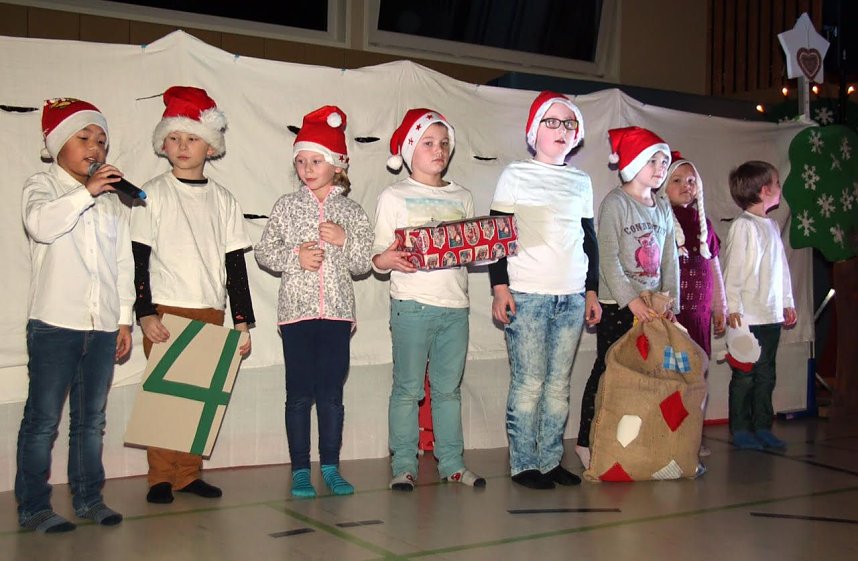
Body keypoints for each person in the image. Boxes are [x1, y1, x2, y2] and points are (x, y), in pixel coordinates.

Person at [132, 86, 254, 504]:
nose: (183, 147)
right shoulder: (152, 194)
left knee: (200, 398)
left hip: (210, 309)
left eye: (193, 138)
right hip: (166, 309)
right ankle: (160, 477)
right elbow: (138, 258)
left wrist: (241, 321)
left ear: (211, 145)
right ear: (163, 143)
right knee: (167, 398)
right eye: (175, 138)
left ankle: (188, 474)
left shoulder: (224, 200)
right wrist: (145, 311)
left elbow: (235, 265)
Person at [17, 98, 132, 532]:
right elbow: (41, 226)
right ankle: (34, 507)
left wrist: (122, 318)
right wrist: (85, 192)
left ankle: (88, 498)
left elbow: (122, 263)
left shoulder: (111, 200)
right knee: (43, 420)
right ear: (56, 143)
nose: (95, 147)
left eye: (101, 140)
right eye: (83, 137)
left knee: (91, 421)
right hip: (54, 324)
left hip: (100, 327)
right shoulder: (41, 186)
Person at [255, 105, 372, 498]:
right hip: (296, 316)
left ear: (337, 164)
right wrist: (295, 257)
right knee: (299, 393)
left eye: (315, 160)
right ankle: (301, 469)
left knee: (331, 395)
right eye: (301, 160)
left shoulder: (352, 212)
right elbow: (263, 251)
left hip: (337, 316)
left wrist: (344, 240)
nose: (306, 167)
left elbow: (361, 264)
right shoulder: (287, 207)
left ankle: (332, 467)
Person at [488, 91, 601, 490]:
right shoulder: (515, 174)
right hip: (528, 294)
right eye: (551, 122)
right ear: (535, 130)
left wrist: (591, 292)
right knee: (529, 382)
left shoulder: (581, 181)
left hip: (571, 297)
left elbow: (589, 240)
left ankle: (551, 459)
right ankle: (524, 464)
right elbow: (498, 236)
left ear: (577, 135)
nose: (561, 130)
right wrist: (500, 288)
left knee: (558, 384)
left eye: (569, 123)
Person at [373, 108, 485, 491]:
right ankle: (403, 463)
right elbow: (378, 255)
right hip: (412, 305)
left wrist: (486, 247)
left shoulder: (462, 196)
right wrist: (385, 259)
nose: (438, 150)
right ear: (409, 150)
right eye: (428, 143)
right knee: (407, 389)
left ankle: (451, 462)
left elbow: (471, 251)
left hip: (456, 308)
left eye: (443, 143)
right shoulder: (394, 195)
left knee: (448, 391)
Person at [575, 126, 680, 469]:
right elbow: (607, 258)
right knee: (609, 370)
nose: (661, 167)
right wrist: (630, 300)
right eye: (653, 160)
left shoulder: (663, 206)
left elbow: (669, 260)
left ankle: (633, 439)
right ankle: (586, 440)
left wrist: (668, 301)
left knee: (647, 374)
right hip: (616, 305)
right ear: (633, 162)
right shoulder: (615, 204)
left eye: (664, 161)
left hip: (652, 305)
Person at [722, 161, 796, 450]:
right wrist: (733, 310)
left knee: (767, 374)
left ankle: (762, 426)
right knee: (745, 375)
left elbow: (782, 270)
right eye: (777, 183)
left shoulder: (772, 225)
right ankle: (741, 429)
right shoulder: (743, 226)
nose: (779, 188)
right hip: (748, 318)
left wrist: (787, 302)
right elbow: (735, 271)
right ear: (765, 190)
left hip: (770, 315)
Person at [659, 152, 727, 457]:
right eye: (677, 180)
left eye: (691, 180)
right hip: (674, 316)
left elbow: (714, 268)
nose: (686, 186)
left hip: (699, 316)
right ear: (663, 186)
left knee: (696, 376)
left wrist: (720, 306)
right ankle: (668, 436)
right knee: (672, 376)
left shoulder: (704, 224)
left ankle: (693, 437)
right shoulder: (660, 219)